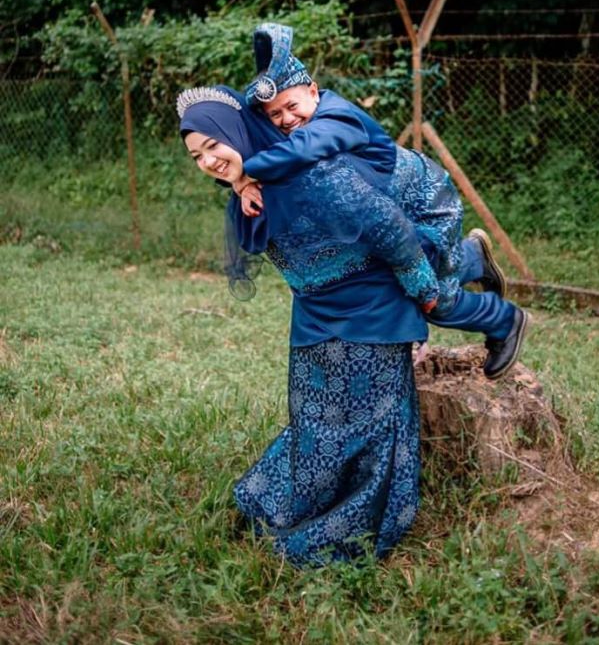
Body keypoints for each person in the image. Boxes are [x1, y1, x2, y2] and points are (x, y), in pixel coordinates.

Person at [178, 84, 438, 567]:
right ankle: (280, 503)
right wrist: (240, 180)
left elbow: (388, 227)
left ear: (236, 133)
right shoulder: (255, 183)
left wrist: (425, 295)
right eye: (197, 156)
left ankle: (348, 528)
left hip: (370, 314)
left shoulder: (310, 173)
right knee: (315, 423)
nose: (208, 161)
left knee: (368, 432)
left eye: (214, 146)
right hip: (316, 319)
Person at [233, 23, 529, 380]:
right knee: (412, 274)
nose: (286, 120)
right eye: (275, 115)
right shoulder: (301, 127)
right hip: (392, 211)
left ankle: (505, 320)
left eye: (291, 106)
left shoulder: (336, 116)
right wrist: (237, 179)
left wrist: (242, 169)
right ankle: (471, 257)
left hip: (426, 202)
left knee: (435, 301)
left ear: (313, 90)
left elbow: (303, 148)